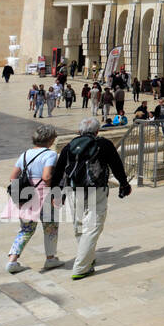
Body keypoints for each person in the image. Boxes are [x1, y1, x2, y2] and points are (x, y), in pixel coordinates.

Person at [57, 117, 133, 280]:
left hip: (73, 191)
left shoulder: (69, 146)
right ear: (97, 131)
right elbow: (116, 165)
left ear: (80, 131)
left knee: (79, 225)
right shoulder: (104, 144)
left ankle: (88, 259)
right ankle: (81, 267)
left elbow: (59, 172)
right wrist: (124, 184)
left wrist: (57, 194)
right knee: (92, 228)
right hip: (95, 191)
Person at [3, 124, 64, 273]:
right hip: (43, 195)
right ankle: (50, 258)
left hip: (26, 195)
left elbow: (13, 177)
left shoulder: (25, 154)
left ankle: (12, 260)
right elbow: (46, 176)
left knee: (26, 229)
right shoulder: (50, 154)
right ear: (49, 139)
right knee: (50, 228)